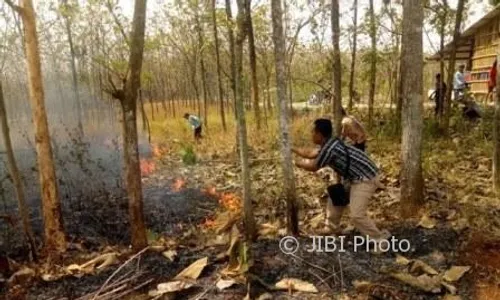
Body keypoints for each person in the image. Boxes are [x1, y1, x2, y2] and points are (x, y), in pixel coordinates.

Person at [292, 119, 389, 242]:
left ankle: (379, 239)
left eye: (313, 131)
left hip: (366, 177)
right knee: (336, 195)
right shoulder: (329, 143)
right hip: (354, 177)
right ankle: (331, 228)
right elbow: (310, 153)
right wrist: (291, 149)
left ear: (319, 134)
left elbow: (314, 166)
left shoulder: (330, 148)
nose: (311, 134)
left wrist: (297, 163)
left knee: (356, 215)